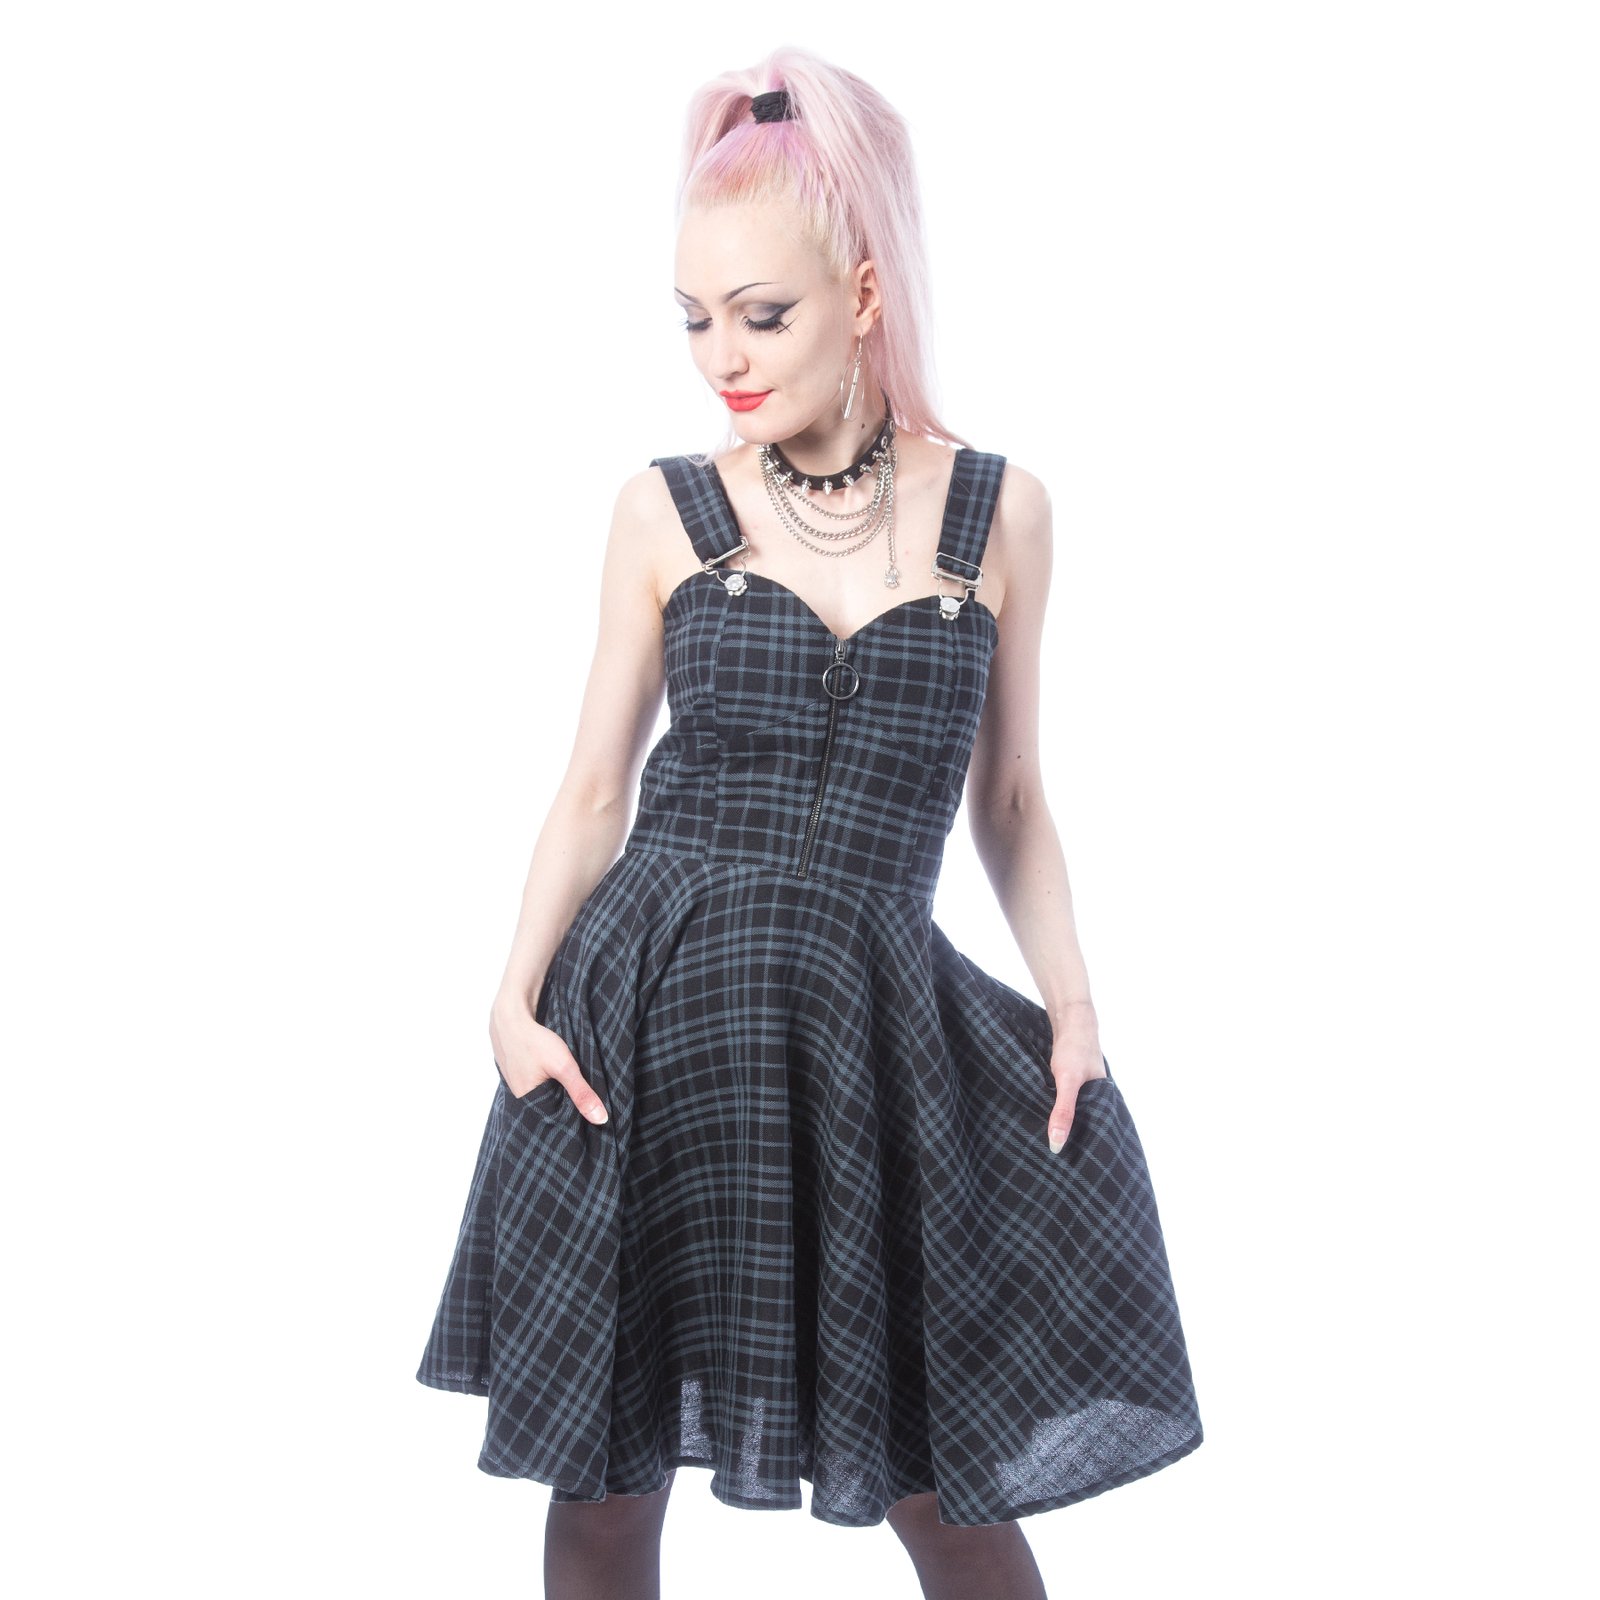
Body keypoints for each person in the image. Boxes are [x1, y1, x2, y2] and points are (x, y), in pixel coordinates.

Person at [416, 46, 1203, 1600]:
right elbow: (594, 786)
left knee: (943, 1488)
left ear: (862, 292)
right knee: (602, 1488)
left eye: (761, 314)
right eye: (693, 318)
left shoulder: (1004, 512)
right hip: (640, 1030)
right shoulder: (663, 509)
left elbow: (1013, 796)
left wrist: (1073, 1008)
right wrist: (509, 998)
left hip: (863, 1051)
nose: (722, 356)